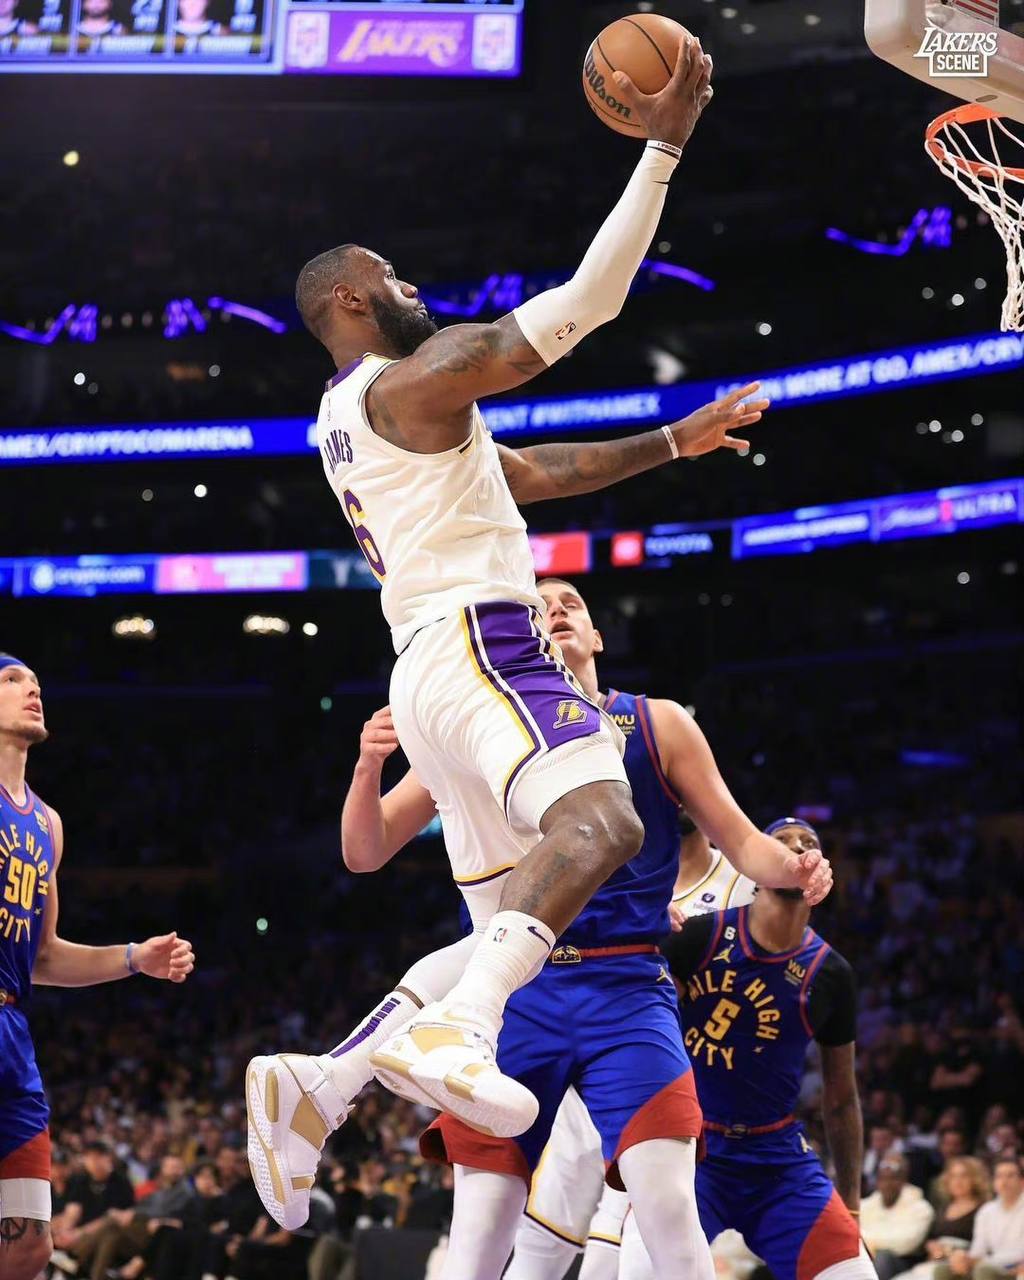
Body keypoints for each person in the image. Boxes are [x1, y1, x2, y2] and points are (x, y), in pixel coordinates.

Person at [276, 32, 828, 1146]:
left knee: (515, 908)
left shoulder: (355, 422)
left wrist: (671, 441)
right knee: (606, 819)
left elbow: (532, 474)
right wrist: (663, 150)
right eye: (393, 277)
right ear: (347, 296)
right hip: (481, 641)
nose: (411, 287)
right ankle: (457, 1027)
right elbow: (585, 304)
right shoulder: (408, 383)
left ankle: (321, 1085)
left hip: (427, 667)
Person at [252, 578, 829, 1279]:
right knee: (479, 1239)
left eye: (571, 603)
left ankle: (328, 1080)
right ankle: (326, 1082)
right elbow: (364, 852)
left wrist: (796, 867)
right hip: (520, 989)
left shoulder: (659, 723)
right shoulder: (481, 730)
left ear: (598, 636)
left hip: (626, 986)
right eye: (538, 605)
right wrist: (368, 766)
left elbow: (744, 843)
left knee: (670, 1211)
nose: (555, 610)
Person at [0, 655, 195, 1280]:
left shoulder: (47, 824)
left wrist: (136, 957)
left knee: (28, 1246)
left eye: (35, 681)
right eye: (10, 680)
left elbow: (45, 956)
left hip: (12, 1034)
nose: (31, 688)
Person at [619, 818, 872, 1280]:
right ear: (756, 867)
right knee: (637, 1273)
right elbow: (632, 1027)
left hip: (777, 1160)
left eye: (809, 843)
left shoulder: (831, 974)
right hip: (691, 1149)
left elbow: (841, 1099)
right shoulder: (697, 937)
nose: (798, 848)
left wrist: (852, 1206)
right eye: (783, 842)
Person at [507, 814, 757, 1280]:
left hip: (664, 1080)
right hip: (587, 1080)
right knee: (539, 1246)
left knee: (626, 1254)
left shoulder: (743, 882)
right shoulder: (605, 855)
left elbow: (755, 995)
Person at [893, 1158, 991, 1280]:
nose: (958, 1181)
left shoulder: (984, 1210)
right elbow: (929, 1238)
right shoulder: (943, 1208)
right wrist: (931, 1246)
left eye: (964, 1176)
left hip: (960, 1266)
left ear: (975, 1179)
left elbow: (983, 1247)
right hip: (933, 1262)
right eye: (953, 1176)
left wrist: (949, 1251)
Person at [934, 1157, 1024, 1280]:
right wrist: (965, 1258)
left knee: (984, 1271)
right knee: (944, 1269)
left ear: (1022, 1181)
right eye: (999, 1176)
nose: (1004, 1182)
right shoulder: (987, 1211)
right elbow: (978, 1250)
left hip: (1016, 1268)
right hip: (994, 1266)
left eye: (1010, 1176)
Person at [861, 1157, 936, 1280]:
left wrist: (869, 1241)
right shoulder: (865, 1205)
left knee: (882, 1258)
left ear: (903, 1181)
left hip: (903, 1262)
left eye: (893, 1178)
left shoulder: (921, 1209)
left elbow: (906, 1244)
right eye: (883, 1179)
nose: (887, 1184)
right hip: (867, 1257)